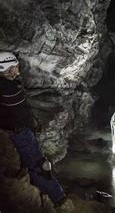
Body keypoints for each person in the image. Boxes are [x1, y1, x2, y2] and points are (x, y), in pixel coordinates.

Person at [0, 51, 74, 211]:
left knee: (30, 164)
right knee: (40, 165)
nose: (18, 71)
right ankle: (59, 199)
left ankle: (38, 190)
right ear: (6, 69)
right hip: (20, 132)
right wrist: (34, 128)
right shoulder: (9, 88)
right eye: (14, 68)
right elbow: (22, 115)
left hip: (8, 130)